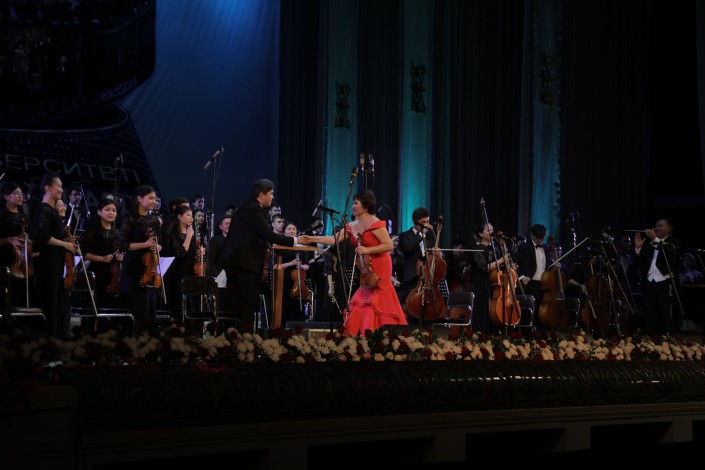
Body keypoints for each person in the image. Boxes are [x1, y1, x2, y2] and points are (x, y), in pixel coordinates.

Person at [300, 190, 407, 336]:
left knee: (377, 296)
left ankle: (380, 333)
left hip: (380, 263)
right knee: (365, 294)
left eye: (356, 203)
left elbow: (388, 245)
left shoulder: (375, 223)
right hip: (365, 264)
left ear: (365, 206)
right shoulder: (352, 225)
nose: (353, 206)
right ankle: (366, 332)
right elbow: (333, 239)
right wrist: (310, 239)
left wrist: (367, 249)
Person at [218, 179, 298, 325]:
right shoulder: (254, 209)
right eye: (271, 194)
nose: (273, 197)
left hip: (237, 263)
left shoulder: (249, 207)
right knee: (247, 303)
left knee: (237, 303)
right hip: (243, 264)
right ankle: (245, 337)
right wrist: (295, 240)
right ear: (261, 195)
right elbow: (269, 235)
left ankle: (233, 335)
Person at [32, 173, 77, 339]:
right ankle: (49, 337)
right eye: (58, 186)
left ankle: (59, 335)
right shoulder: (44, 208)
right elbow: (43, 236)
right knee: (50, 297)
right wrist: (65, 244)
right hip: (49, 261)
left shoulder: (53, 211)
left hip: (57, 260)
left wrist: (67, 240)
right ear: (47, 188)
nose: (61, 189)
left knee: (58, 297)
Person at [118, 185, 163, 336]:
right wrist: (145, 244)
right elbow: (122, 244)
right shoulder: (130, 218)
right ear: (139, 198)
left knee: (149, 308)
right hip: (133, 267)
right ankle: (133, 339)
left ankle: (148, 341)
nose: (154, 201)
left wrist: (157, 247)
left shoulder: (155, 221)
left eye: (155, 199)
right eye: (150, 198)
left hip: (149, 268)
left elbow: (160, 244)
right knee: (136, 307)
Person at [634, 219, 682, 335]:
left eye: (661, 226)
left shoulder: (674, 242)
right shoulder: (650, 243)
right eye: (656, 226)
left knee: (667, 311)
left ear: (669, 229)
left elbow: (670, 252)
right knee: (651, 312)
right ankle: (651, 337)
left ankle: (668, 337)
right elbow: (640, 262)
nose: (657, 228)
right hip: (650, 281)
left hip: (666, 281)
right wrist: (638, 248)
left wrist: (655, 239)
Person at [467, 223, 512, 333]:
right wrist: (501, 260)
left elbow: (500, 266)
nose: (492, 232)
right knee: (482, 313)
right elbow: (485, 267)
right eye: (488, 230)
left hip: (494, 286)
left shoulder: (495, 249)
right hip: (482, 285)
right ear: (481, 234)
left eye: (492, 229)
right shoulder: (477, 250)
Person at [81, 197, 124, 310]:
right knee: (96, 302)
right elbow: (83, 253)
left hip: (113, 273)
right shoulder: (92, 230)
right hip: (95, 271)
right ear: (99, 212)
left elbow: (120, 251)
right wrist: (102, 258)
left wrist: (120, 257)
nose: (111, 213)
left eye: (114, 210)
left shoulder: (117, 233)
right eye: (107, 209)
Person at [163, 205, 203, 322]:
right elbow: (181, 253)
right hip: (178, 274)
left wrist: (199, 254)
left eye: (192, 216)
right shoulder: (173, 234)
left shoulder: (192, 234)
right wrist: (189, 236)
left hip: (191, 273)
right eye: (188, 215)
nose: (191, 218)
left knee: (191, 305)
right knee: (179, 304)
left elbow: (192, 254)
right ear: (180, 217)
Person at [0, 181, 35, 309]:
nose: (21, 196)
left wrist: (28, 240)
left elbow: (33, 240)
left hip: (23, 260)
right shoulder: (1, 216)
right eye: (16, 193)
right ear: (6, 196)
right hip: (4, 260)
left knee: (23, 295)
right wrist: (9, 239)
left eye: (21, 193)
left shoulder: (25, 217)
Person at [396, 207, 436, 318]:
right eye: (423, 222)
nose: (426, 225)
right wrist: (421, 235)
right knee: (411, 308)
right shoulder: (405, 236)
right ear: (415, 222)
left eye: (427, 221)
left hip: (426, 276)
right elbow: (408, 248)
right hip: (411, 277)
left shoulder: (430, 236)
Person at [513, 223, 552, 316]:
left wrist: (555, 266)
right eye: (538, 238)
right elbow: (514, 264)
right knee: (530, 312)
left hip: (544, 284)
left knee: (541, 311)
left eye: (542, 238)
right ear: (532, 235)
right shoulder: (524, 247)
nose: (540, 240)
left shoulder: (546, 247)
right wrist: (522, 277)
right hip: (529, 283)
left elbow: (549, 263)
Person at [207, 214, 232, 279]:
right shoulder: (215, 240)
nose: (229, 226)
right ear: (221, 227)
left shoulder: (237, 240)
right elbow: (211, 262)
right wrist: (217, 278)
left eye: (231, 224)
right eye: (227, 224)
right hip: (220, 276)